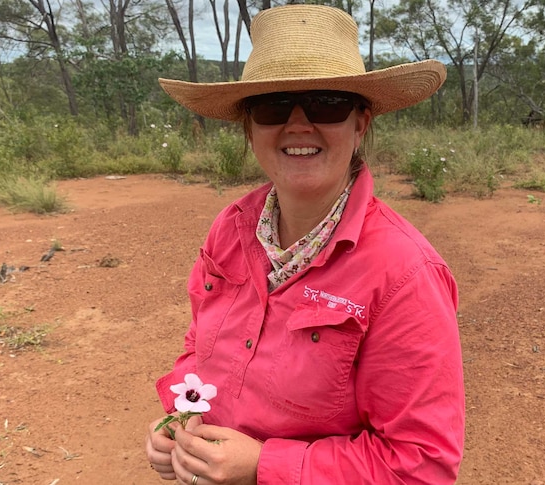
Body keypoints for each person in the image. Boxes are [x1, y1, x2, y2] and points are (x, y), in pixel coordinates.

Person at [146, 4, 465, 484]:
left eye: (326, 103)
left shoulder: (404, 273)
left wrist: (262, 467)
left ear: (360, 124)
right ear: (250, 128)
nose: (298, 124)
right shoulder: (230, 229)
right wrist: (181, 416)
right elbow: (201, 345)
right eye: (273, 106)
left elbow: (421, 463)